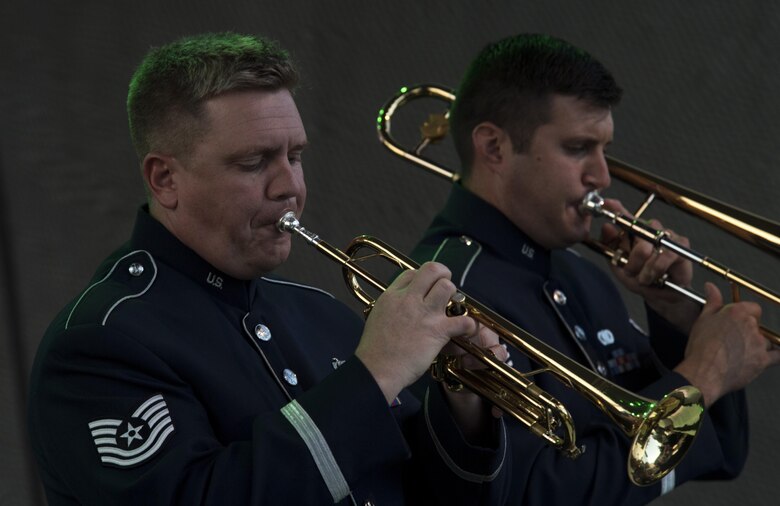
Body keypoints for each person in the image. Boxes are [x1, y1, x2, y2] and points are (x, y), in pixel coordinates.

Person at [27, 32, 513, 505]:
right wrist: (374, 375)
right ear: (165, 179)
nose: (290, 188)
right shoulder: (101, 342)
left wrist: (462, 403)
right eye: (254, 162)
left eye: (295, 156)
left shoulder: (321, 312)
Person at [409, 33, 780, 505]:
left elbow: (720, 453)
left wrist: (676, 322)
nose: (602, 177)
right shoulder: (445, 292)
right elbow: (532, 495)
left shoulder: (580, 276)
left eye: (603, 149)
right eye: (579, 147)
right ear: (494, 148)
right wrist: (703, 376)